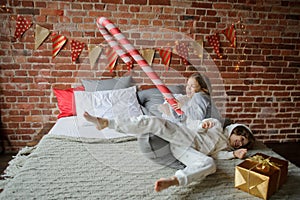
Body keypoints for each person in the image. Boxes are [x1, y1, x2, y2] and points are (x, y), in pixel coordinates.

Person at [83, 112, 255, 192]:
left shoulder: (226, 148)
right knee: (156, 122)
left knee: (210, 164)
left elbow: (217, 155)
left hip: (189, 152)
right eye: (239, 138)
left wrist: (233, 154)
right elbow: (194, 124)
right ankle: (108, 122)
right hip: (187, 136)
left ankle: (175, 180)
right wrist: (202, 125)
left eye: (241, 143)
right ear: (234, 131)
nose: (238, 142)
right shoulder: (216, 124)